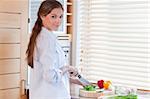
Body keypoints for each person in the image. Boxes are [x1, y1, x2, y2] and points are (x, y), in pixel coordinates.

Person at [26, 0, 82, 99]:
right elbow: (51, 76)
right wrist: (68, 68)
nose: (58, 21)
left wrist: (75, 80)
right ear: (42, 16)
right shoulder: (46, 39)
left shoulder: (43, 36)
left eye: (60, 17)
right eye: (53, 16)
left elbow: (49, 71)